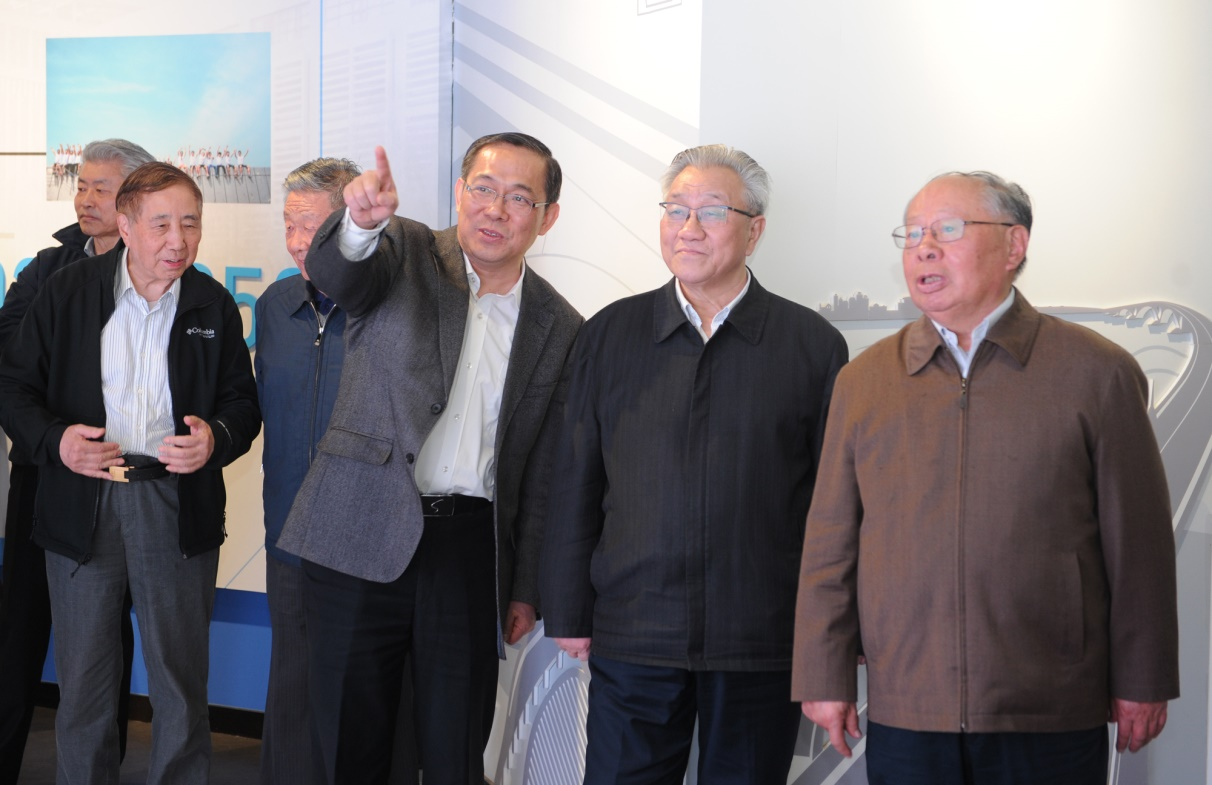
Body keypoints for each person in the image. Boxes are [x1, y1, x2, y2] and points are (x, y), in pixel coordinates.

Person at [792, 171, 1179, 785]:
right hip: (907, 705)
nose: (923, 248)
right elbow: (830, 543)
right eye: (912, 234)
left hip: (1049, 708)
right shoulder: (864, 382)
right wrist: (822, 674)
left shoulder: (1097, 373)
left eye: (947, 229)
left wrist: (1143, 677)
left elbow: (1140, 546)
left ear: (1013, 245)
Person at [276, 133, 582, 785]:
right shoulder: (406, 249)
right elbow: (338, 274)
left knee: (454, 750)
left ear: (548, 216)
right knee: (349, 746)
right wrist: (358, 225)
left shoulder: (560, 325)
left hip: (467, 553)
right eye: (484, 188)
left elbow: (543, 474)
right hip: (360, 530)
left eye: (519, 197)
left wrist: (526, 586)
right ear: (459, 191)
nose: (496, 208)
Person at [539, 144, 848, 785]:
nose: (688, 228)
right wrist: (567, 609)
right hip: (635, 629)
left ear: (754, 230)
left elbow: (835, 506)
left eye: (710, 211)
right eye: (675, 209)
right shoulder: (610, 334)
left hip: (760, 636)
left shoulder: (811, 345)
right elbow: (575, 478)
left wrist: (835, 632)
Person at [0, 162, 260, 785]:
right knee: (84, 683)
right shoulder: (67, 291)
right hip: (82, 502)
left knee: (179, 682)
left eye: (190, 224)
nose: (179, 240)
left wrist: (215, 439)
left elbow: (242, 405)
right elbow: (14, 387)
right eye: (161, 224)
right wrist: (56, 441)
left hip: (174, 504)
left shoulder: (212, 303)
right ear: (126, 225)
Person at [0, 138, 154, 784]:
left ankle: (99, 770)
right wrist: (54, 432)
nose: (86, 199)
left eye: (102, 188)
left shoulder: (159, 271)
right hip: (43, 474)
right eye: (81, 185)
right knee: (18, 629)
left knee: (104, 637)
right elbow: (12, 363)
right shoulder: (47, 267)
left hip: (115, 485)